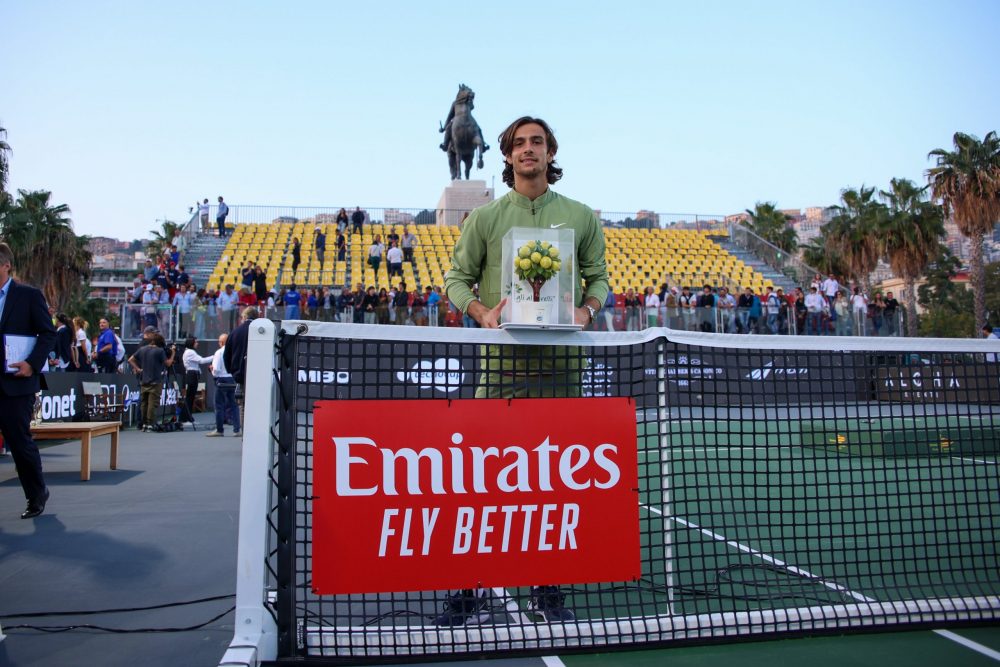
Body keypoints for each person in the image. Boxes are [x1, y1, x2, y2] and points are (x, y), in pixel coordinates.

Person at [443, 116, 608, 626]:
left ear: (550, 152)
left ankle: (546, 588)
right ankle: (468, 589)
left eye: (537, 142)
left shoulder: (580, 216)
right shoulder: (485, 219)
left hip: (563, 374)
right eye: (519, 143)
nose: (528, 149)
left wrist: (586, 311)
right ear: (509, 155)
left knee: (552, 487)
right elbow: (456, 279)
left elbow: (599, 279)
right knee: (481, 484)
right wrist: (482, 313)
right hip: (501, 374)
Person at [0, 242, 57, 519]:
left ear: (6, 265)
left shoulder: (29, 296)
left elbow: (48, 334)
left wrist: (32, 364)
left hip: (16, 382)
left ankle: (36, 494)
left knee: (19, 443)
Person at [128, 328, 176, 432]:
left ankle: (144, 423)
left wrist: (138, 369)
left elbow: (130, 359)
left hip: (143, 380)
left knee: (144, 403)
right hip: (155, 381)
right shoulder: (159, 351)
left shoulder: (142, 349)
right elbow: (168, 363)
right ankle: (150, 423)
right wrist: (173, 353)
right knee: (152, 404)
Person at [223, 306, 258, 432]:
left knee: (243, 405)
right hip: (258, 373)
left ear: (244, 317)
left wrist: (232, 371)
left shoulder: (235, 332)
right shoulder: (260, 330)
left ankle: (245, 435)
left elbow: (226, 354)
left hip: (240, 374)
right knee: (258, 405)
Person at [206, 333, 239, 437]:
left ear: (221, 342)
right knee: (234, 405)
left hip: (221, 379)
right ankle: (237, 430)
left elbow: (216, 369)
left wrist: (212, 370)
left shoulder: (219, 352)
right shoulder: (234, 350)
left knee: (219, 405)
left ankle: (219, 430)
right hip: (232, 378)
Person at [181, 336, 213, 426]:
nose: (197, 343)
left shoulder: (189, 351)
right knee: (190, 397)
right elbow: (201, 361)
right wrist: (214, 356)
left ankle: (186, 417)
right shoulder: (190, 352)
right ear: (191, 343)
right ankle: (186, 418)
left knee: (190, 397)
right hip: (192, 375)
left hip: (192, 374)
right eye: (196, 342)